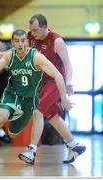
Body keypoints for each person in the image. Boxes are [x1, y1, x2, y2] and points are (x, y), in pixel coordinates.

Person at [0, 29, 73, 166]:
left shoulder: (36, 57)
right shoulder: (9, 55)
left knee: (12, 133)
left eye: (23, 40)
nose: (20, 44)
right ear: (12, 43)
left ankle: (7, 131)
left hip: (28, 101)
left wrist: (64, 98)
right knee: (0, 117)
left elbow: (58, 75)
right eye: (17, 41)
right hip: (11, 94)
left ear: (27, 42)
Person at [18, 14, 86, 164]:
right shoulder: (31, 36)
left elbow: (68, 64)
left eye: (35, 30)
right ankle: (74, 145)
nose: (32, 33)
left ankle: (31, 151)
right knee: (53, 117)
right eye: (31, 30)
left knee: (37, 111)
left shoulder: (56, 41)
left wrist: (67, 83)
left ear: (44, 27)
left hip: (55, 80)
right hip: (40, 81)